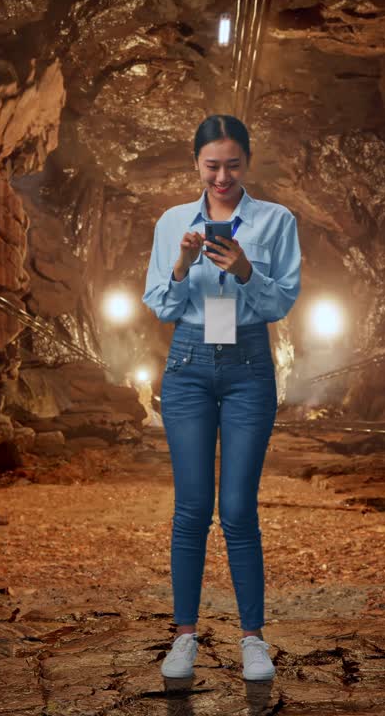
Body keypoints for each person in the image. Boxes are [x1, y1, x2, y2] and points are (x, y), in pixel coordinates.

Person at [141, 114, 302, 682]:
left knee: (237, 509)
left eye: (233, 165)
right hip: (187, 366)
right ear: (196, 165)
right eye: (212, 166)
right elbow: (161, 305)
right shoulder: (171, 222)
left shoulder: (277, 220)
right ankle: (184, 636)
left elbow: (281, 302)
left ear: (247, 163)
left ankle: (253, 639)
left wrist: (247, 270)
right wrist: (183, 265)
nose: (222, 177)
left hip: (248, 365)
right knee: (191, 509)